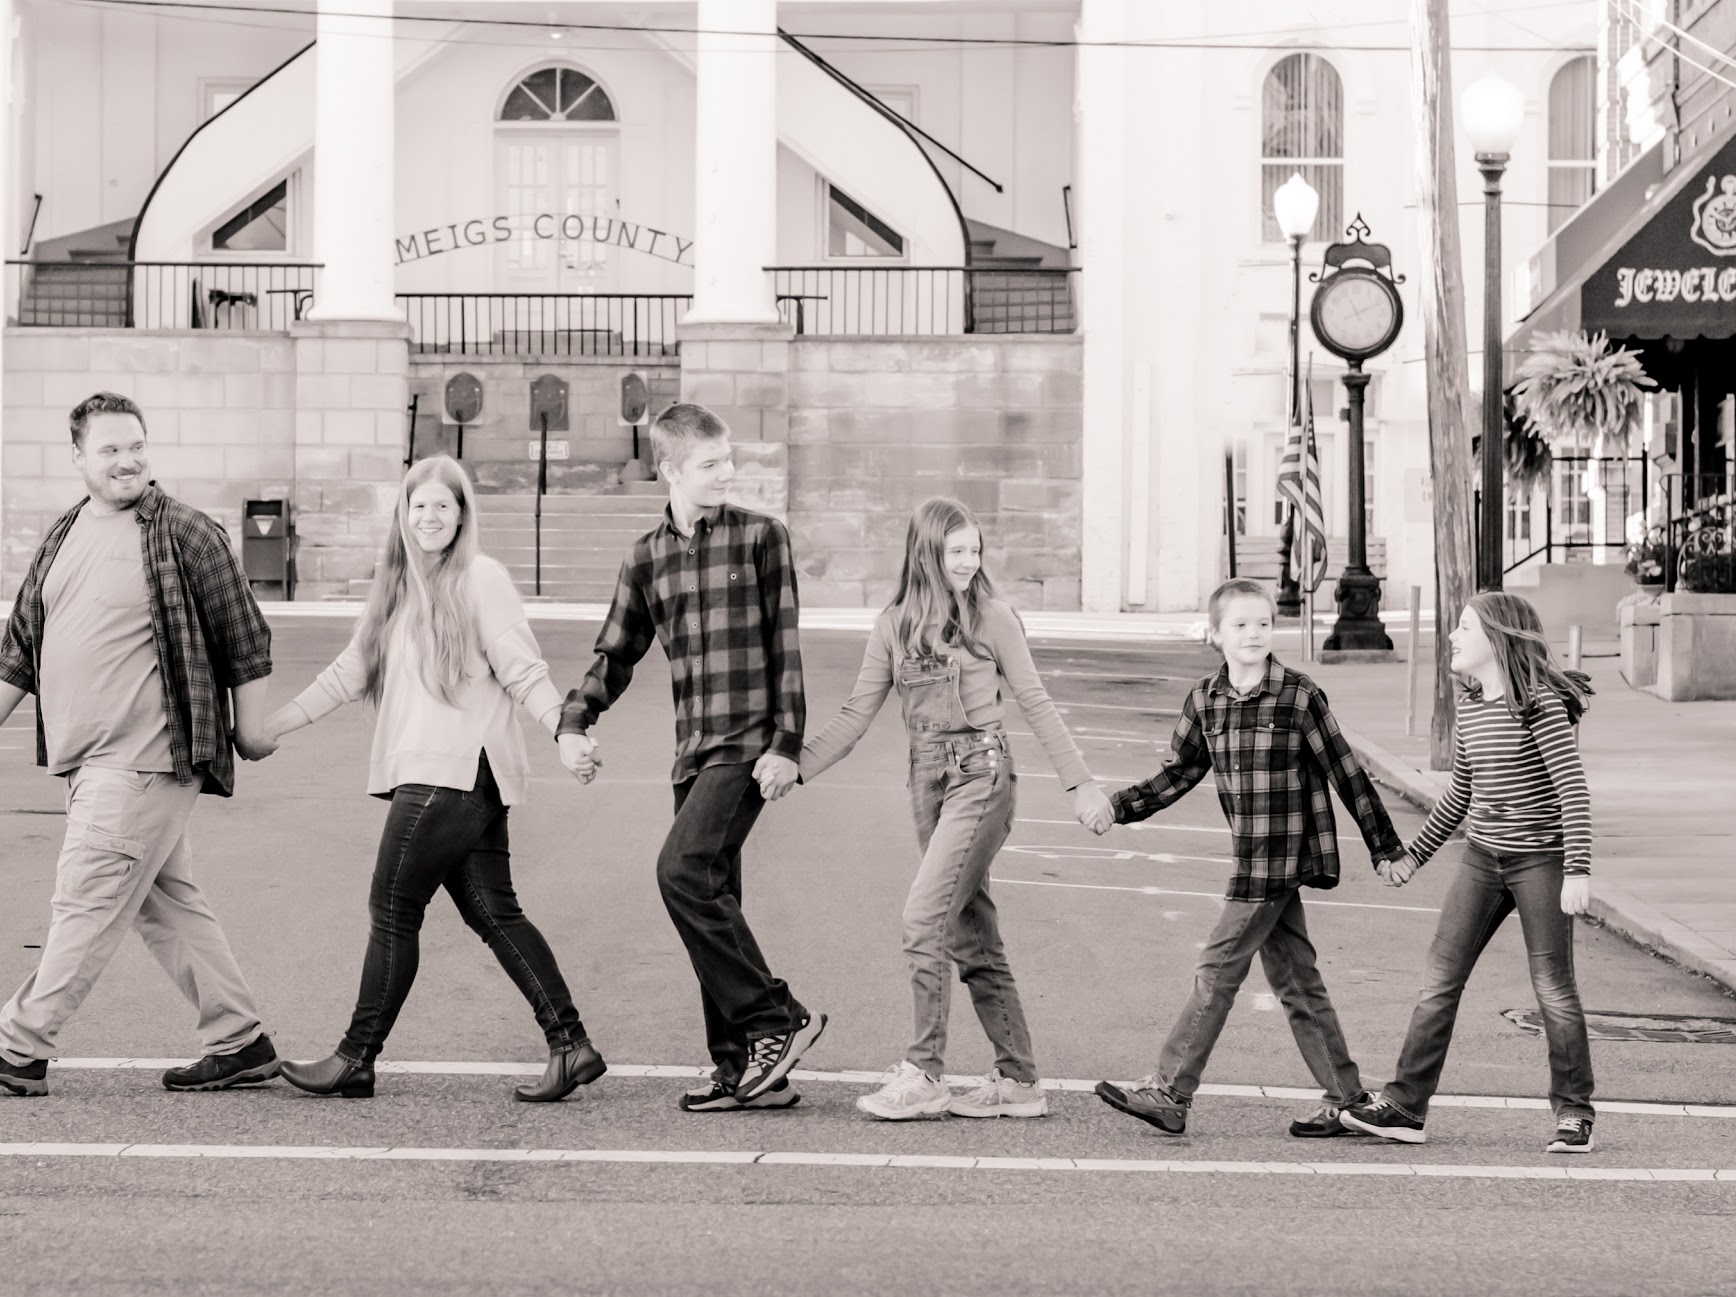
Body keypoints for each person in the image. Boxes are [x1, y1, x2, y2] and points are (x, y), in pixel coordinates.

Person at [0, 391, 280, 1097]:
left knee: (86, 899)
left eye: (136, 446)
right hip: (89, 763)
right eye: (111, 448)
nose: (127, 460)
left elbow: (245, 635)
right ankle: (240, 1041)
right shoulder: (63, 533)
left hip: (146, 757)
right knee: (165, 904)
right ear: (79, 457)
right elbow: (23, 640)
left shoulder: (185, 533)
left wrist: (251, 729)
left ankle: (18, 1044)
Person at [257, 456, 602, 1104]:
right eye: (419, 506)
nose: (430, 516)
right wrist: (270, 728)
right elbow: (346, 673)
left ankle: (355, 1057)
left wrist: (566, 731)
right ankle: (571, 1043)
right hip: (449, 777)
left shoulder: (481, 577)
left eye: (444, 505)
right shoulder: (398, 586)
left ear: (462, 514)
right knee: (495, 913)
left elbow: (524, 669)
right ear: (403, 514)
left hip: (454, 773)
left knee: (393, 908)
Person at [800, 498, 1118, 1121]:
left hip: (981, 775)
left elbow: (1035, 700)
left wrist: (1080, 784)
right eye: (956, 552)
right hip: (926, 780)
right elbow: (856, 713)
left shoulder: (993, 616)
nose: (970, 562)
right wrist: (796, 767)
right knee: (970, 934)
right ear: (926, 553)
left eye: (975, 550)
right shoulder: (893, 624)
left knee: (924, 918)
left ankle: (924, 1072)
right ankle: (1019, 1081)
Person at [556, 402, 826, 1113]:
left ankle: (776, 1017)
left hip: (748, 745)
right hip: (693, 752)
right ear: (671, 470)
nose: (726, 472)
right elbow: (615, 654)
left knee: (679, 872)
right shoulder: (645, 557)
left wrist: (787, 744)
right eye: (710, 463)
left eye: (727, 459)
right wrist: (574, 720)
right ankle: (742, 1069)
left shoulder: (762, 538)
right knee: (713, 893)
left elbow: (786, 646)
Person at [1092, 578, 1409, 1139]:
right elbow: (1177, 774)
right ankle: (1348, 1098)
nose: (1253, 633)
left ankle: (1171, 1090)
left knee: (1216, 970)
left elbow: (1346, 771)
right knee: (1297, 982)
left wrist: (1385, 847)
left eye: (1263, 623)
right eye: (1239, 624)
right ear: (1216, 634)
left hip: (1279, 857)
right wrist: (1116, 808)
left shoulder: (1298, 695)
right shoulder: (1205, 700)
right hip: (1251, 854)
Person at [1342, 590, 1599, 1154]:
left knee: (1553, 988)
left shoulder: (1539, 706)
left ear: (1498, 638)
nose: (1453, 637)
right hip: (1482, 858)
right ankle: (1405, 1107)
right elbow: (1460, 794)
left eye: (1464, 627)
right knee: (1439, 981)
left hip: (1540, 860)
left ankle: (1574, 1112)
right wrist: (1413, 857)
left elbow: (1573, 790)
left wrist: (1578, 869)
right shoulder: (1473, 705)